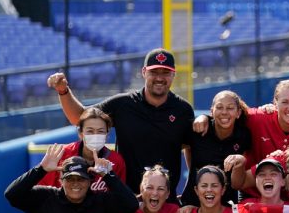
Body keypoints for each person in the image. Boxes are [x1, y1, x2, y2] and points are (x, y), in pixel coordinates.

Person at [47, 49, 195, 198]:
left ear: (173, 75)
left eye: (165, 73)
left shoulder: (183, 110)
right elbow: (80, 117)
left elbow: (190, 147)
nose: (159, 78)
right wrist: (63, 91)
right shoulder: (123, 104)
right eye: (154, 72)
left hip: (166, 201)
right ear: (144, 72)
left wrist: (189, 191)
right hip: (127, 200)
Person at [181, 90, 252, 207]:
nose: (224, 112)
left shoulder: (243, 135)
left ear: (238, 113)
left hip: (227, 206)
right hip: (193, 204)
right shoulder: (198, 129)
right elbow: (187, 147)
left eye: (230, 108)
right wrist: (193, 173)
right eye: (219, 107)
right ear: (212, 111)